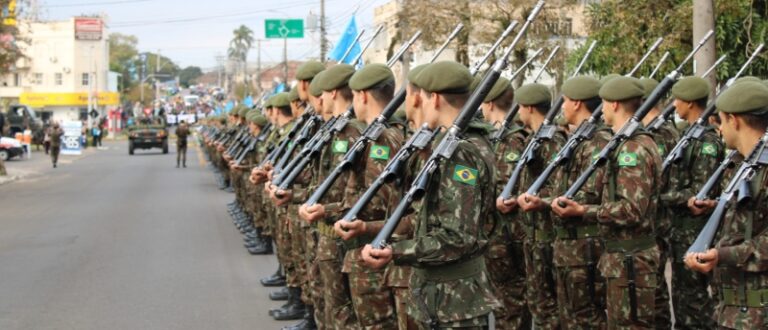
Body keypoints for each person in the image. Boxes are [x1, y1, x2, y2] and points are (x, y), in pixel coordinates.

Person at [361, 61, 501, 329]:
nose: (418, 104)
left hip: (454, 304)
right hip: (440, 299)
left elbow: (457, 236)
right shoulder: (453, 145)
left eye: (421, 97)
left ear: (434, 99)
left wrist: (395, 252)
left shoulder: (460, 152)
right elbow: (431, 217)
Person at [552, 76, 662, 329]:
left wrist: (583, 210)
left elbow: (631, 210)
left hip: (631, 260)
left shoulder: (633, 149)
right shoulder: (628, 143)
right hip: (622, 258)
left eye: (603, 102)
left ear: (613, 104)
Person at [684, 80, 768, 329]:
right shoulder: (745, 164)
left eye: (720, 121)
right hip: (733, 309)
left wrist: (723, 255)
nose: (718, 130)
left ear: (734, 120)